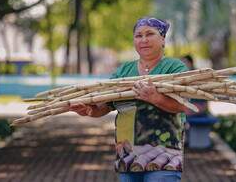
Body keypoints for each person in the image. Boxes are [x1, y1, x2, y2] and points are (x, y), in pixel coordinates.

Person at [70, 17, 189, 182]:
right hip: (127, 156)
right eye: (138, 35)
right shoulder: (124, 71)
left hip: (164, 156)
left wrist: (155, 98)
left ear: (162, 39)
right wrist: (90, 110)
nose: (144, 40)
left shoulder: (175, 68)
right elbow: (106, 106)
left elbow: (183, 106)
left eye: (150, 34)